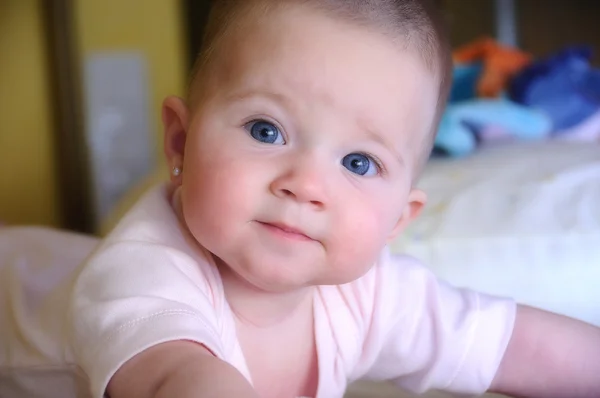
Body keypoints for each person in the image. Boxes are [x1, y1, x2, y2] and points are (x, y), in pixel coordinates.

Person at [2, 1, 599, 397]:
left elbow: (515, 346)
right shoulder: (144, 278)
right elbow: (184, 380)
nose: (306, 185)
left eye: (358, 163)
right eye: (266, 131)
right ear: (180, 141)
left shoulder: (364, 294)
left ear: (398, 218)